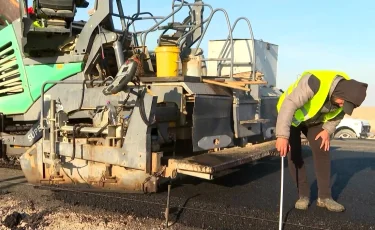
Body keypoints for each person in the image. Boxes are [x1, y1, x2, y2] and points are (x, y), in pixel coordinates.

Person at [275, 70, 368, 212]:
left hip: (314, 120)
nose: (342, 106)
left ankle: (324, 198)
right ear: (339, 94)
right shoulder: (314, 82)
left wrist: (327, 130)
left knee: (322, 147)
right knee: (294, 155)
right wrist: (282, 136)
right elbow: (290, 104)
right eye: (342, 103)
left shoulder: (347, 96)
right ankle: (303, 196)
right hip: (291, 116)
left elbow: (338, 115)